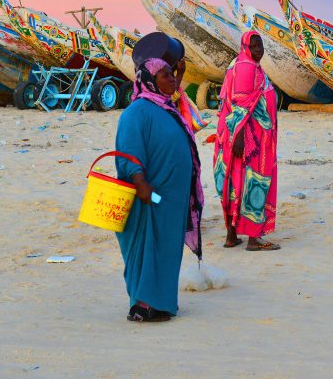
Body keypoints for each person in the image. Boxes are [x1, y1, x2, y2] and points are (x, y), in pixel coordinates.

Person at [115, 55, 204, 322]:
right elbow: (128, 152)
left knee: (167, 248)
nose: (172, 78)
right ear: (150, 81)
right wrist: (139, 181)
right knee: (147, 245)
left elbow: (189, 114)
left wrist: (179, 71)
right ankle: (142, 304)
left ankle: (162, 303)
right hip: (149, 195)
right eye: (165, 75)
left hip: (170, 198)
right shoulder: (137, 111)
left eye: (172, 74)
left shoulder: (167, 106)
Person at [214, 30, 280, 251]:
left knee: (235, 181)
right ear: (245, 47)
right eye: (254, 46)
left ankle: (232, 235)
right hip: (249, 140)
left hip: (243, 137)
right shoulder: (246, 67)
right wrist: (239, 138)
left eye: (260, 45)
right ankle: (253, 237)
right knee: (255, 180)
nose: (258, 50)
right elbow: (239, 106)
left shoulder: (241, 63)